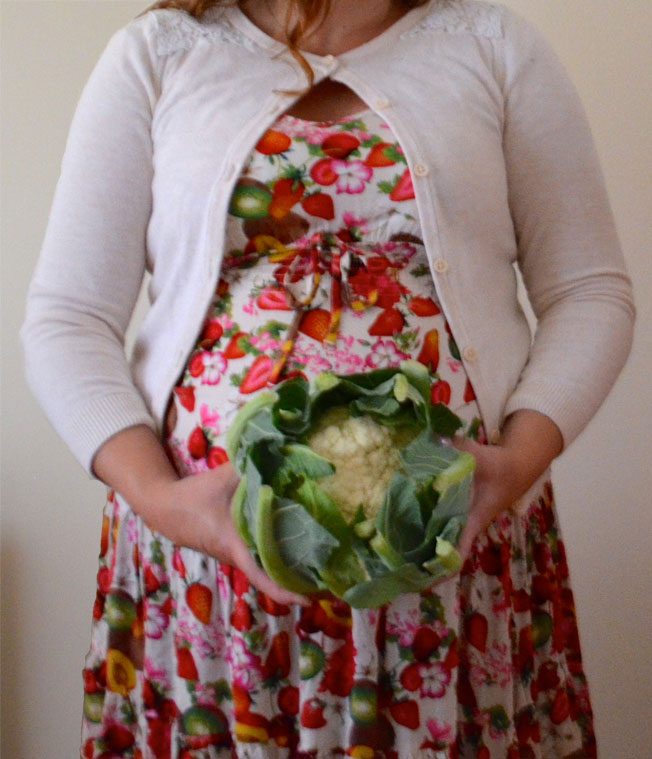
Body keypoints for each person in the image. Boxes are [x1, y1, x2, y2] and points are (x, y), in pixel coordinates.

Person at [21, 0, 635, 756]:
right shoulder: (159, 55)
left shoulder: (492, 48)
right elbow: (68, 317)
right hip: (208, 586)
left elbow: (589, 292)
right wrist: (164, 500)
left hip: (453, 571)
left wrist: (512, 470)